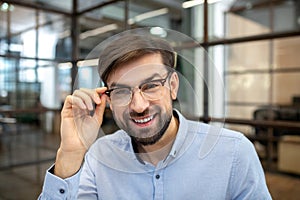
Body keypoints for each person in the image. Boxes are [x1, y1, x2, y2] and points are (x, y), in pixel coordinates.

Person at [39, 31, 272, 199]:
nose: (138, 106)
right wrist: (70, 154)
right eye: (121, 91)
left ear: (172, 86)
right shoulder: (99, 157)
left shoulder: (233, 153)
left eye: (150, 86)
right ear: (107, 99)